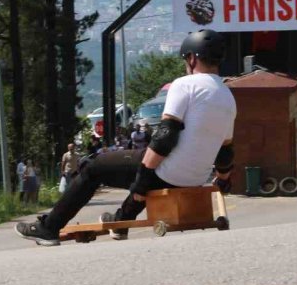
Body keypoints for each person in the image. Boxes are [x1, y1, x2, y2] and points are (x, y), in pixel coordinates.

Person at [16, 29, 237, 246]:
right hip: (196, 179)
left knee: (95, 167)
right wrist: (223, 180)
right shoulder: (227, 96)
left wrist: (143, 180)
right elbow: (225, 150)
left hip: (167, 174)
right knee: (140, 162)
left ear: (192, 58)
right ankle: (121, 222)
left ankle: (49, 227)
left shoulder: (184, 84)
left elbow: (165, 136)